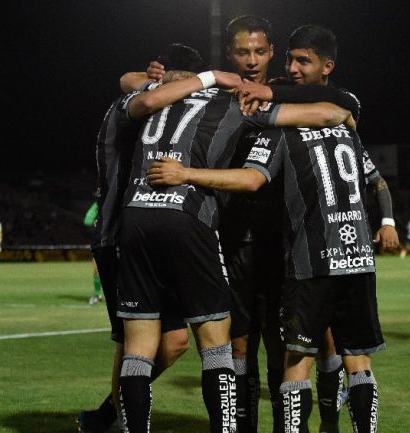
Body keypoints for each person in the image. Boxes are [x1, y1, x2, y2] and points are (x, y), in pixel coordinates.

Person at [116, 48, 351, 433]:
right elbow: (327, 113)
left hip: (136, 215)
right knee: (216, 343)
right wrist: (343, 116)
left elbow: (127, 81)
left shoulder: (157, 95)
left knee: (138, 348)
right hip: (187, 215)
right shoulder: (233, 103)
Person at [148, 119, 385, 433]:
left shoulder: (294, 129)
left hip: (289, 252)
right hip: (243, 249)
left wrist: (185, 174)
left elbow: (252, 179)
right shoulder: (233, 118)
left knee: (301, 347)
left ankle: (327, 423)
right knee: (244, 345)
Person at [76, 45, 207, 433]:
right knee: (133, 340)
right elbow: (131, 83)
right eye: (186, 84)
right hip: (119, 234)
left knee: (175, 341)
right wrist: (203, 79)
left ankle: (111, 411)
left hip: (151, 235)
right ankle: (118, 419)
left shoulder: (165, 109)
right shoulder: (136, 104)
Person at [83, 199, 104, 305]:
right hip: (99, 241)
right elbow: (87, 220)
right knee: (96, 269)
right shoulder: (98, 205)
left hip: (114, 241)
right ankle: (97, 294)